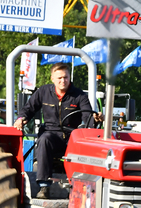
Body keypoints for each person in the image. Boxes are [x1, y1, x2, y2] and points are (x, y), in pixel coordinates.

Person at [14, 63, 101, 199]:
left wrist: (93, 120)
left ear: (69, 77)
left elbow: (87, 116)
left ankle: (79, 189)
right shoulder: (43, 92)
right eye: (59, 78)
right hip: (51, 134)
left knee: (84, 144)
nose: (63, 81)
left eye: (65, 77)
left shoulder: (79, 96)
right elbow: (28, 109)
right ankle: (44, 187)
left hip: (72, 135)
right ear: (52, 79)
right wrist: (21, 118)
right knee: (44, 139)